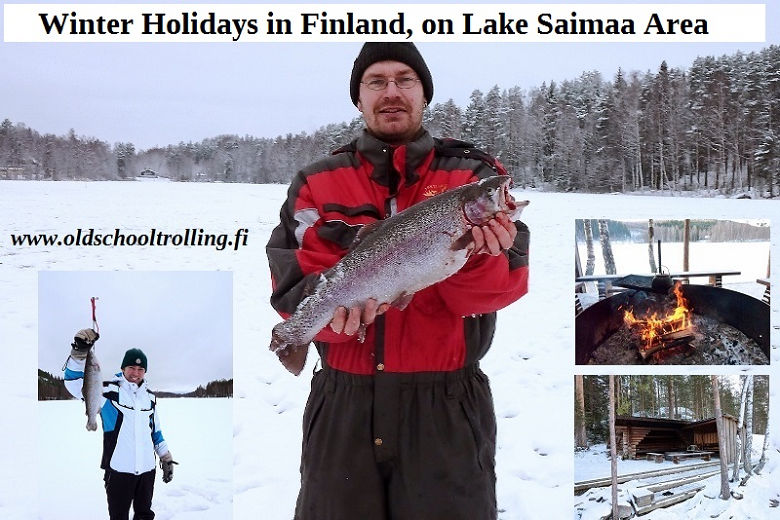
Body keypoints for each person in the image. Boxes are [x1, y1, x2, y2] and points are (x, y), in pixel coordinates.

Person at [266, 42, 530, 519]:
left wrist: (473, 255)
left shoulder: (473, 174)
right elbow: (291, 289)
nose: (392, 91)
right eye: (376, 81)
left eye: (405, 80)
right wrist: (325, 324)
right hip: (343, 405)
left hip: (446, 407)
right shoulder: (316, 182)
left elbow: (500, 291)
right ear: (359, 98)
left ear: (424, 94)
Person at [64, 328, 177, 520]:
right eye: (131, 368)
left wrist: (165, 456)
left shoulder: (150, 398)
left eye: (140, 369)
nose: (136, 373)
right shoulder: (107, 392)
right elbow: (74, 384)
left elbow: (156, 432)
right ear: (123, 368)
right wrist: (79, 352)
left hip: (147, 472)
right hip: (118, 472)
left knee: (145, 515)